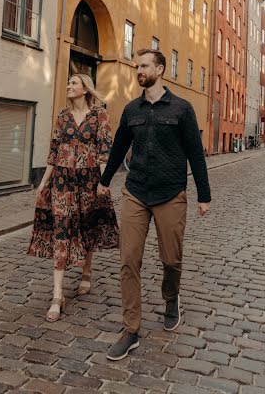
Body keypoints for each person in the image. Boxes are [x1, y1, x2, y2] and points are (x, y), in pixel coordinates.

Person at [97, 49, 211, 361]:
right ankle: (130, 329)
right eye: (137, 66)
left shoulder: (182, 109)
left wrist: (204, 194)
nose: (139, 70)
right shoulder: (132, 109)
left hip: (170, 193)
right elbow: (119, 147)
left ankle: (171, 297)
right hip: (136, 192)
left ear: (160, 69)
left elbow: (195, 154)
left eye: (145, 66)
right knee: (128, 260)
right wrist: (105, 180)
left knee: (171, 259)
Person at [27, 74, 119, 322]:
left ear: (85, 89)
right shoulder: (62, 116)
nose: (69, 86)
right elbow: (54, 150)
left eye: (73, 83)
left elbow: (104, 150)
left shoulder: (99, 115)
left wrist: (104, 182)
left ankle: (86, 272)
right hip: (62, 181)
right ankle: (57, 295)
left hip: (89, 181)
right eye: (67, 82)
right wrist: (44, 182)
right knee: (61, 232)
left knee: (87, 227)